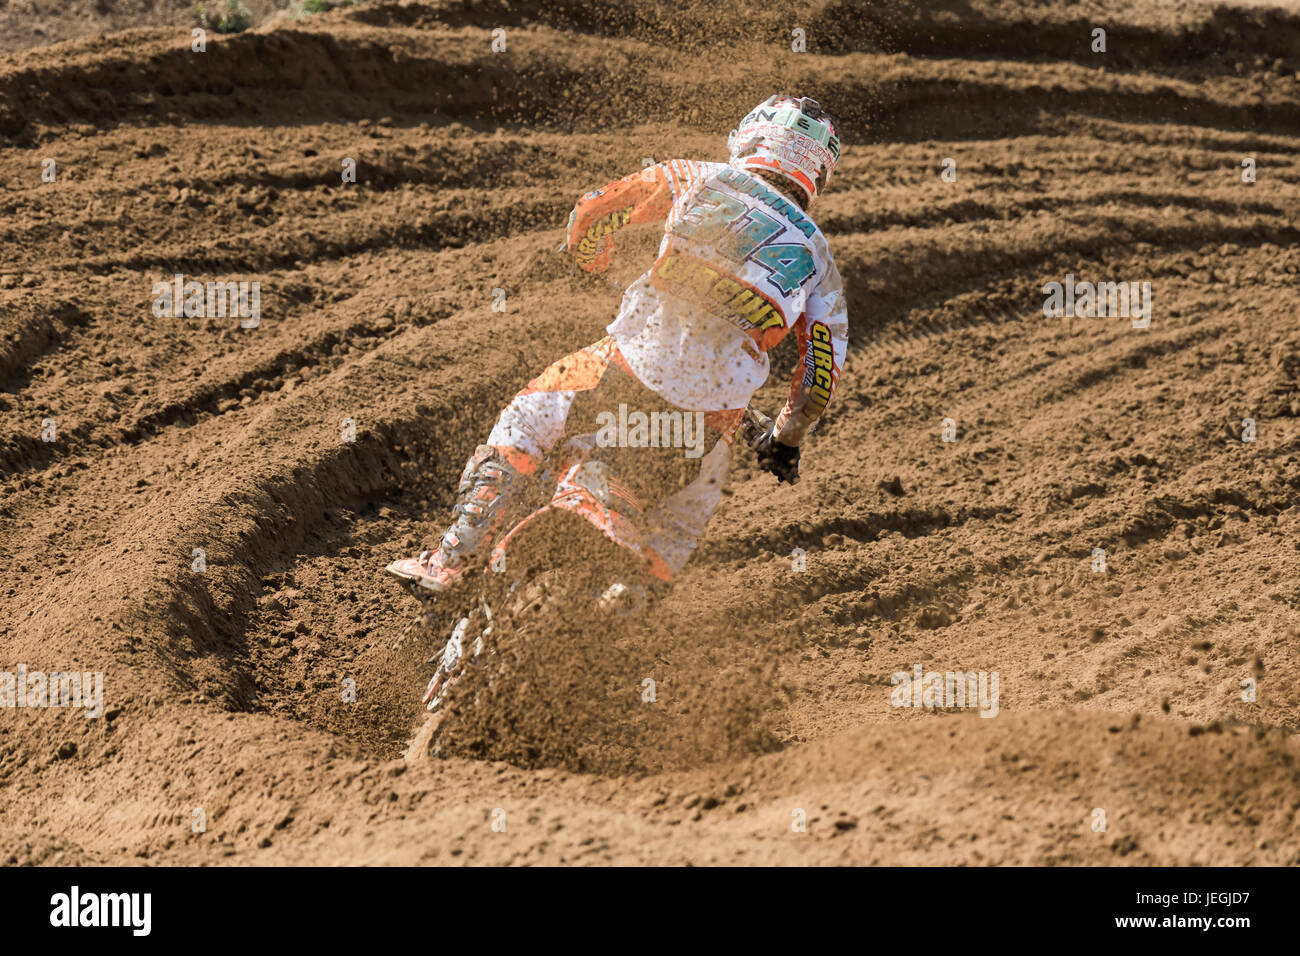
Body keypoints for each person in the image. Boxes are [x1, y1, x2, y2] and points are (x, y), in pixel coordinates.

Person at [387, 94, 848, 597]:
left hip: (624, 372)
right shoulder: (820, 261)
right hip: (710, 423)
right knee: (680, 530)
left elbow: (592, 212)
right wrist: (784, 442)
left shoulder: (699, 175)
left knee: (527, 415)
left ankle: (454, 558)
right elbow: (818, 382)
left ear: (751, 137)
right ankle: (627, 625)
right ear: (818, 172)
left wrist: (592, 263)